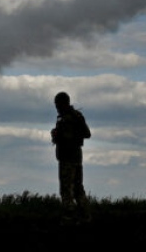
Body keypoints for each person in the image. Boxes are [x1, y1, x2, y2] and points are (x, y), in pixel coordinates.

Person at [50, 91, 92, 223]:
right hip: (77, 158)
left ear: (62, 104)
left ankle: (70, 217)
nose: (56, 107)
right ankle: (85, 216)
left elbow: (66, 138)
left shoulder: (66, 119)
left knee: (66, 189)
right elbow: (87, 134)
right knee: (78, 188)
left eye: (57, 104)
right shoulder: (77, 116)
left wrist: (57, 135)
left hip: (67, 158)